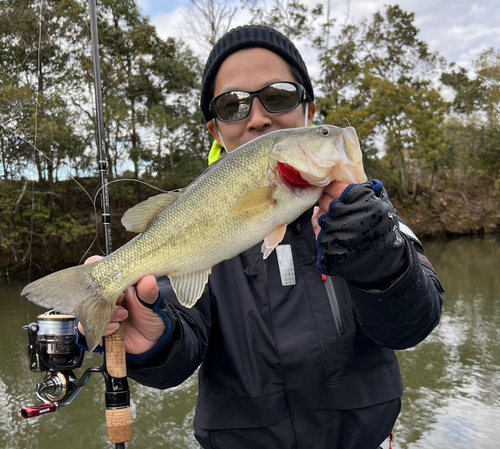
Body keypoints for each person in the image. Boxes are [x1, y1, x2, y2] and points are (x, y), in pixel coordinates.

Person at [79, 25, 444, 449]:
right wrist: (154, 342)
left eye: (279, 96)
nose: (257, 117)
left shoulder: (371, 213)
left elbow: (415, 324)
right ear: (216, 131)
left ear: (308, 110)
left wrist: (381, 263)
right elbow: (180, 349)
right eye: (232, 105)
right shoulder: (199, 215)